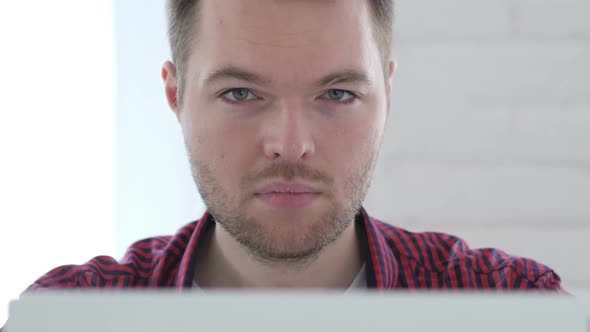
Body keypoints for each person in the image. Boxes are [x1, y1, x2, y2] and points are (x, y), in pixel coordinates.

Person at [25, 0, 562, 291]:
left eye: (336, 93)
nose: (290, 144)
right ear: (175, 94)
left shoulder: (507, 303)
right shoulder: (72, 315)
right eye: (240, 93)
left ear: (388, 95)